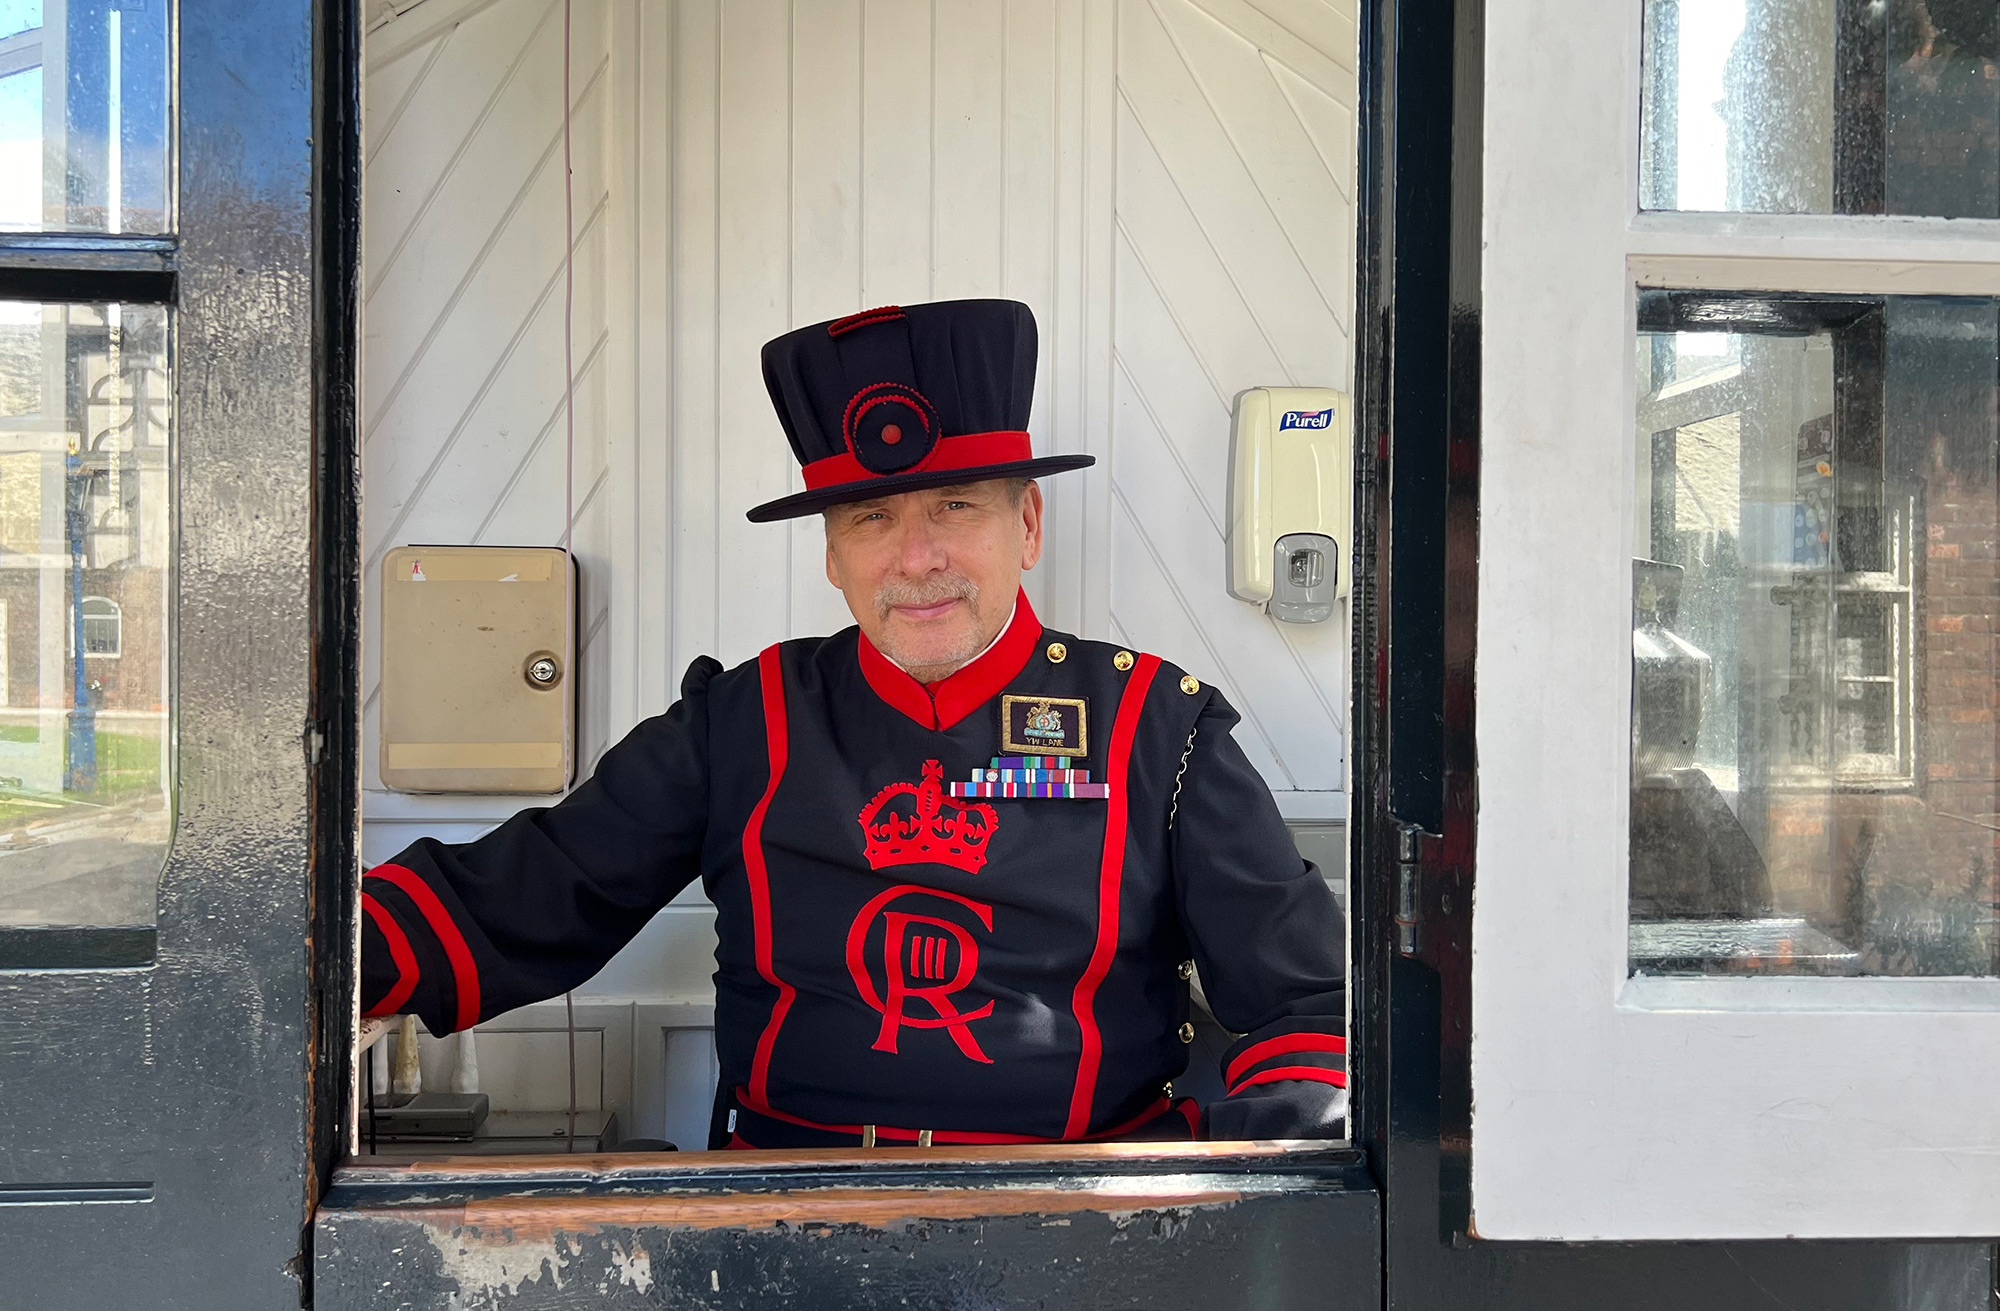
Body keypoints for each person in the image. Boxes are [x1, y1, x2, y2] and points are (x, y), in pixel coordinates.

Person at [359, 299, 1348, 1148]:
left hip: (1079, 1223)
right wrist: (303, 959)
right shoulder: (739, 722)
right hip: (788, 1219)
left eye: (954, 505)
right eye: (871, 519)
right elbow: (528, 897)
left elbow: (1305, 1007)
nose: (914, 558)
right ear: (832, 555)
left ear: (1029, 526)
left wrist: (1229, 1206)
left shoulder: (1157, 731)